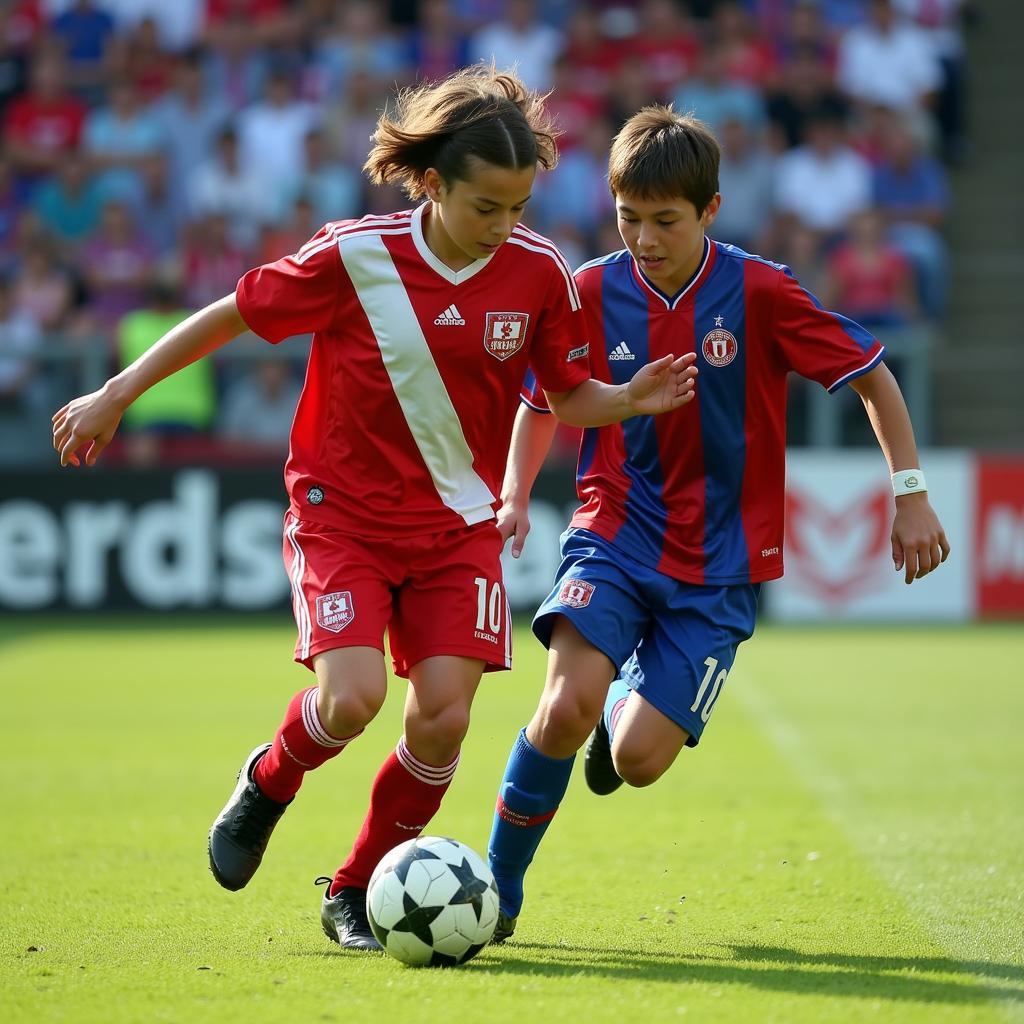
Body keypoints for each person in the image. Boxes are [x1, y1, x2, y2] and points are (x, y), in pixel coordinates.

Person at [50, 65, 698, 952]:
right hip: (341, 512)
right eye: (485, 208)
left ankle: (355, 891)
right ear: (432, 184)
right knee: (350, 700)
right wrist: (117, 392)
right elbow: (232, 313)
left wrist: (629, 398)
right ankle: (270, 780)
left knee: (444, 714)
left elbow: (565, 395)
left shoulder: (540, 273)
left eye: (517, 208)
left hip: (458, 527)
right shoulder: (354, 254)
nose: (502, 227)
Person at [486, 106, 950, 944]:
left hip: (722, 563)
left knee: (635, 760)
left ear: (710, 210)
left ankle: (628, 700)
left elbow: (875, 376)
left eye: (665, 220)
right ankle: (497, 892)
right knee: (563, 707)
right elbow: (540, 401)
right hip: (614, 532)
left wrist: (909, 491)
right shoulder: (589, 290)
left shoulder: (761, 292)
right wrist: (516, 492)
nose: (644, 238)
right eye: (629, 218)